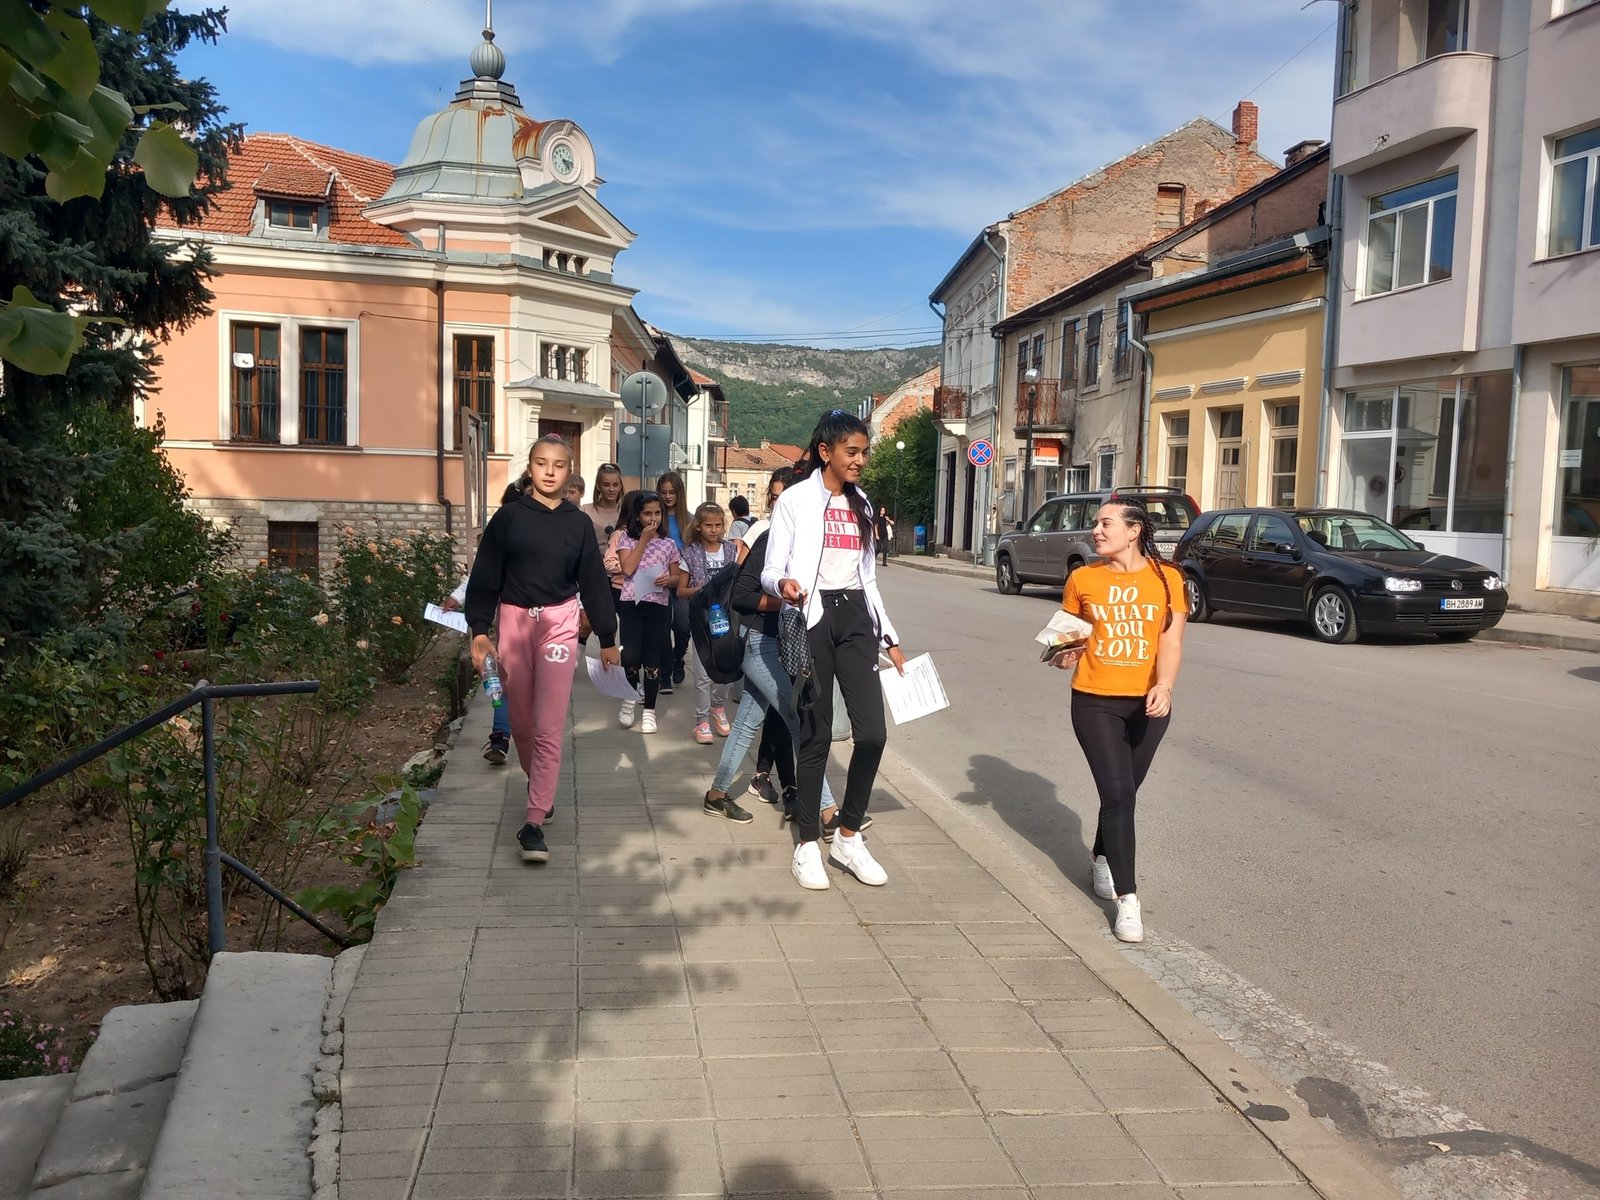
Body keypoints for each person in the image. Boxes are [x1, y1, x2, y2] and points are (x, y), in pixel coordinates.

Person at [764, 410, 907, 891]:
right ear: (826, 452)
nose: (860, 460)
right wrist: (782, 585)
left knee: (873, 735)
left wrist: (890, 637)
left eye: (865, 452)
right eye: (852, 452)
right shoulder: (796, 500)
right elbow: (770, 570)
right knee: (816, 734)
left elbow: (869, 579)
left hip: (856, 618)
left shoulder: (861, 502)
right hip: (812, 617)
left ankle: (847, 836)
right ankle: (807, 844)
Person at [465, 435, 620, 865]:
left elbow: (594, 582)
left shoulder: (577, 523)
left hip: (559, 624)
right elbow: (485, 576)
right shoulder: (509, 518)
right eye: (541, 463)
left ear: (569, 471)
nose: (550, 471)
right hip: (514, 622)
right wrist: (479, 630)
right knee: (520, 724)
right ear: (530, 467)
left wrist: (608, 639)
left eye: (559, 464)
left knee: (549, 723)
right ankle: (541, 786)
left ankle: (533, 820)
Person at [1050, 499, 1188, 943]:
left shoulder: (1168, 579)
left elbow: (1171, 642)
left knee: (1123, 793)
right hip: (1095, 702)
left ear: (1133, 531)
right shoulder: (1082, 579)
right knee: (1119, 795)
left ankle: (1102, 856)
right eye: (1096, 523)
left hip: (1149, 704)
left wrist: (1164, 686)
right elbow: (1066, 642)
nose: (1096, 530)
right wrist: (1063, 654)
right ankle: (1128, 900)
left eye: (1105, 523)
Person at [703, 468, 841, 826]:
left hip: (777, 643)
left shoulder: (804, 541)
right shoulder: (770, 540)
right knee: (797, 717)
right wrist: (788, 602)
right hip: (757, 641)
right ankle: (827, 810)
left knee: (747, 722)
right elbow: (743, 595)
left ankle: (716, 796)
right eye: (778, 498)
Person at [613, 491, 681, 733]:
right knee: (630, 655)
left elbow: (677, 577)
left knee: (653, 657)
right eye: (647, 513)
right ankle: (629, 698)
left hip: (658, 605)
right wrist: (643, 540)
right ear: (637, 516)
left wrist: (669, 580)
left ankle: (649, 710)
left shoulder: (668, 544)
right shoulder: (626, 539)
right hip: (631, 603)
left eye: (657, 513)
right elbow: (628, 568)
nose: (653, 518)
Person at [677, 501, 737, 744]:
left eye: (718, 525)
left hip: (725, 618)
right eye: (708, 525)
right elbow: (681, 590)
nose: (714, 530)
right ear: (698, 527)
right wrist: (700, 590)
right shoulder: (690, 552)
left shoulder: (730, 550)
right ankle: (701, 720)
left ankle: (717, 706)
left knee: (727, 667)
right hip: (701, 618)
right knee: (702, 673)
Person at [441, 580, 512, 764]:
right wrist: (457, 597)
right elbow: (482, 572)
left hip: (550, 626)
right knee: (502, 684)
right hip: (510, 622)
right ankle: (500, 738)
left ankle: (540, 737)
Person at [655, 470, 692, 692]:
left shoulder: (689, 520)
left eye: (672, 492)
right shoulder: (655, 518)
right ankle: (665, 672)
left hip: (682, 581)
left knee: (682, 625)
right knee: (661, 627)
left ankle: (679, 657)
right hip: (659, 579)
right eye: (664, 492)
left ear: (679, 493)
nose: (668, 496)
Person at [582, 463, 624, 553]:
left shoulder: (626, 511)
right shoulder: (585, 511)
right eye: (606, 485)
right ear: (598, 486)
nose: (611, 489)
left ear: (620, 486)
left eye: (615, 485)